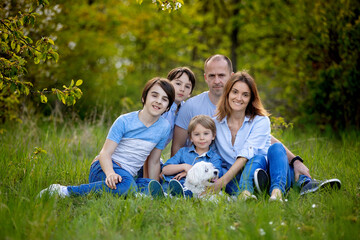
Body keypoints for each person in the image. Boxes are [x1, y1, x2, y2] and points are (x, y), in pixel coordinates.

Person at [171, 54, 338, 194]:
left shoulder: (253, 116)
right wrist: (186, 171)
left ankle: (301, 183)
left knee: (268, 155)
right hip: (222, 167)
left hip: (252, 162)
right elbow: (178, 147)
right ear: (205, 77)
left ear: (231, 76)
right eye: (212, 76)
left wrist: (295, 160)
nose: (217, 81)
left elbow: (264, 138)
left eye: (221, 75)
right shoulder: (195, 108)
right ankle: (262, 188)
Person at [39, 77, 175, 198]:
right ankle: (63, 191)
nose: (158, 101)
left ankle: (141, 193)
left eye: (164, 99)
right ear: (144, 98)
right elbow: (105, 153)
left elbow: (154, 162)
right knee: (127, 186)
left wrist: (151, 185)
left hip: (128, 174)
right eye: (154, 95)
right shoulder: (124, 121)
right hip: (104, 168)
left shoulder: (164, 127)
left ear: (168, 106)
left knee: (149, 185)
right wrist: (110, 173)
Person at [211, 71, 271, 200]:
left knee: (255, 159)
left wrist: (222, 181)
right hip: (232, 176)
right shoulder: (216, 123)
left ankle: (248, 192)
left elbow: (245, 156)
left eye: (245, 95)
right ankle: (243, 196)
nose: (239, 98)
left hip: (257, 172)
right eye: (235, 92)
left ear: (251, 99)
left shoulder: (260, 121)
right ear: (227, 93)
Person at [148, 115, 222, 198]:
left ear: (213, 136)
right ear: (191, 138)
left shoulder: (214, 158)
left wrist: (190, 172)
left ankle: (176, 195)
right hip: (172, 184)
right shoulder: (183, 152)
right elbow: (165, 170)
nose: (202, 138)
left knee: (188, 191)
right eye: (197, 134)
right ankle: (160, 194)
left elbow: (215, 178)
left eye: (206, 134)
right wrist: (184, 166)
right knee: (164, 184)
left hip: (193, 189)